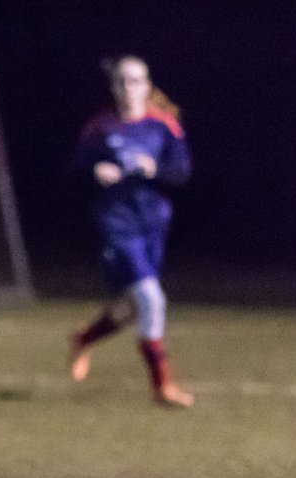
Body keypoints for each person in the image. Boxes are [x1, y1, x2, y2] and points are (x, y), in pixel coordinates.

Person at [70, 56, 193, 407]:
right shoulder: (101, 127)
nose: (128, 87)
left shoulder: (163, 125)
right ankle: (163, 387)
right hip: (116, 222)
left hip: (153, 222)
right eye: (122, 81)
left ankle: (84, 338)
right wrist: (96, 169)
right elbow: (76, 166)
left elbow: (181, 171)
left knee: (132, 307)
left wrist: (155, 168)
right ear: (114, 86)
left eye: (135, 81)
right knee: (152, 300)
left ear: (147, 84)